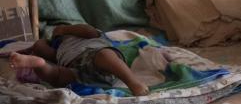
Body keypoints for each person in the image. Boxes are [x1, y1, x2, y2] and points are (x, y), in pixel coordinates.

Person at [8, 24, 148, 96]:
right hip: (75, 68)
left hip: (94, 55)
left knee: (105, 55)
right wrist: (41, 44)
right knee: (56, 75)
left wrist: (64, 29)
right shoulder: (59, 48)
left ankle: (133, 82)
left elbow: (88, 30)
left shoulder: (91, 36)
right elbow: (42, 48)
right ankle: (39, 64)